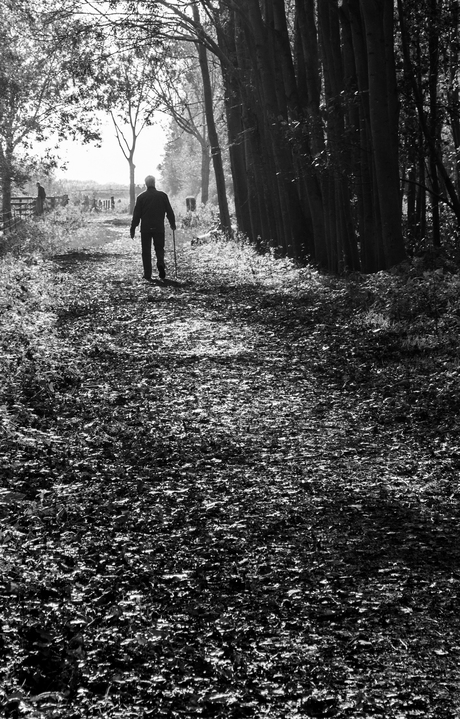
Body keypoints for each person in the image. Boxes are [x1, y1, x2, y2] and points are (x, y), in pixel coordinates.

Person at [130, 175, 176, 280]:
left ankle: (147, 274)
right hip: (159, 227)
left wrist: (133, 228)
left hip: (146, 228)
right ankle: (160, 262)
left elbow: (136, 215)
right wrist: (172, 223)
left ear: (146, 184)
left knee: (146, 251)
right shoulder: (162, 196)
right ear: (154, 183)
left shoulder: (141, 197)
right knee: (159, 248)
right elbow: (169, 211)